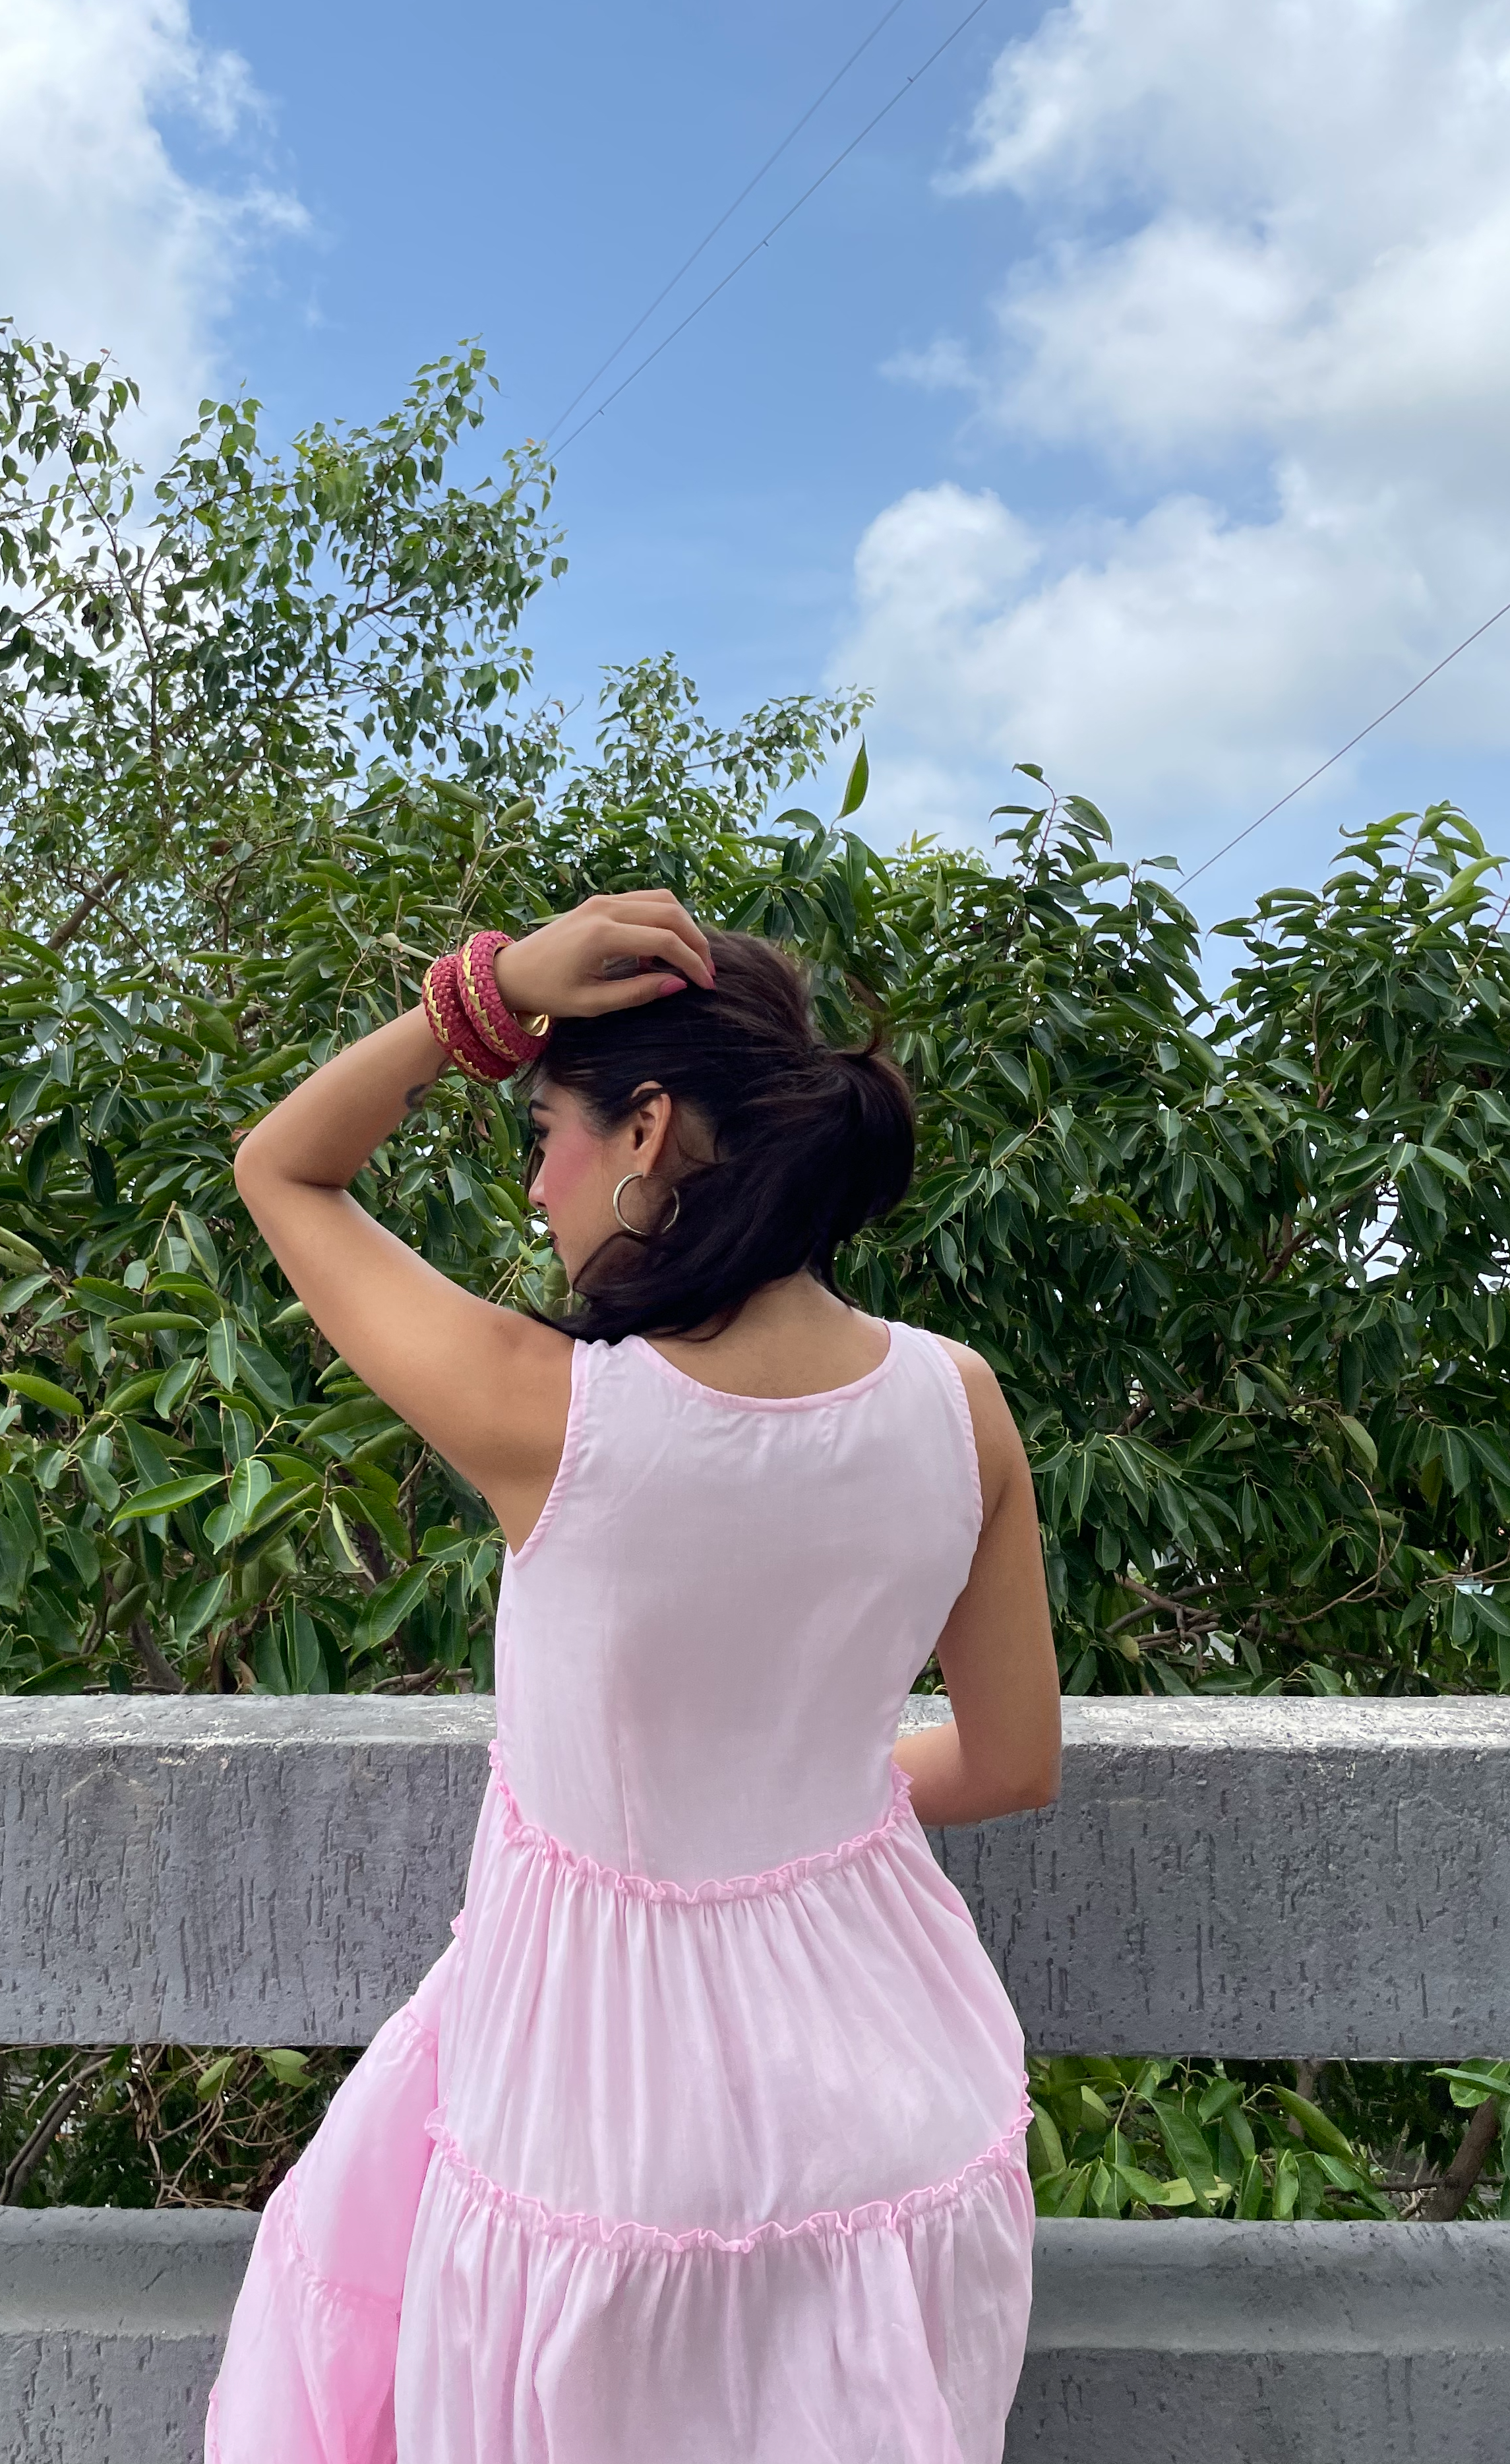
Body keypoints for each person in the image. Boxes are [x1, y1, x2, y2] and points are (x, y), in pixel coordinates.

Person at [205, 888, 1061, 2464]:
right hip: (902, 2115)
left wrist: (487, 992)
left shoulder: (555, 1418)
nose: (538, 1187)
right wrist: (792, 1813)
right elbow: (1011, 1763)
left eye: (547, 1133)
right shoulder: (964, 1403)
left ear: (650, 1128)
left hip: (602, 2128)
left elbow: (284, 1164)